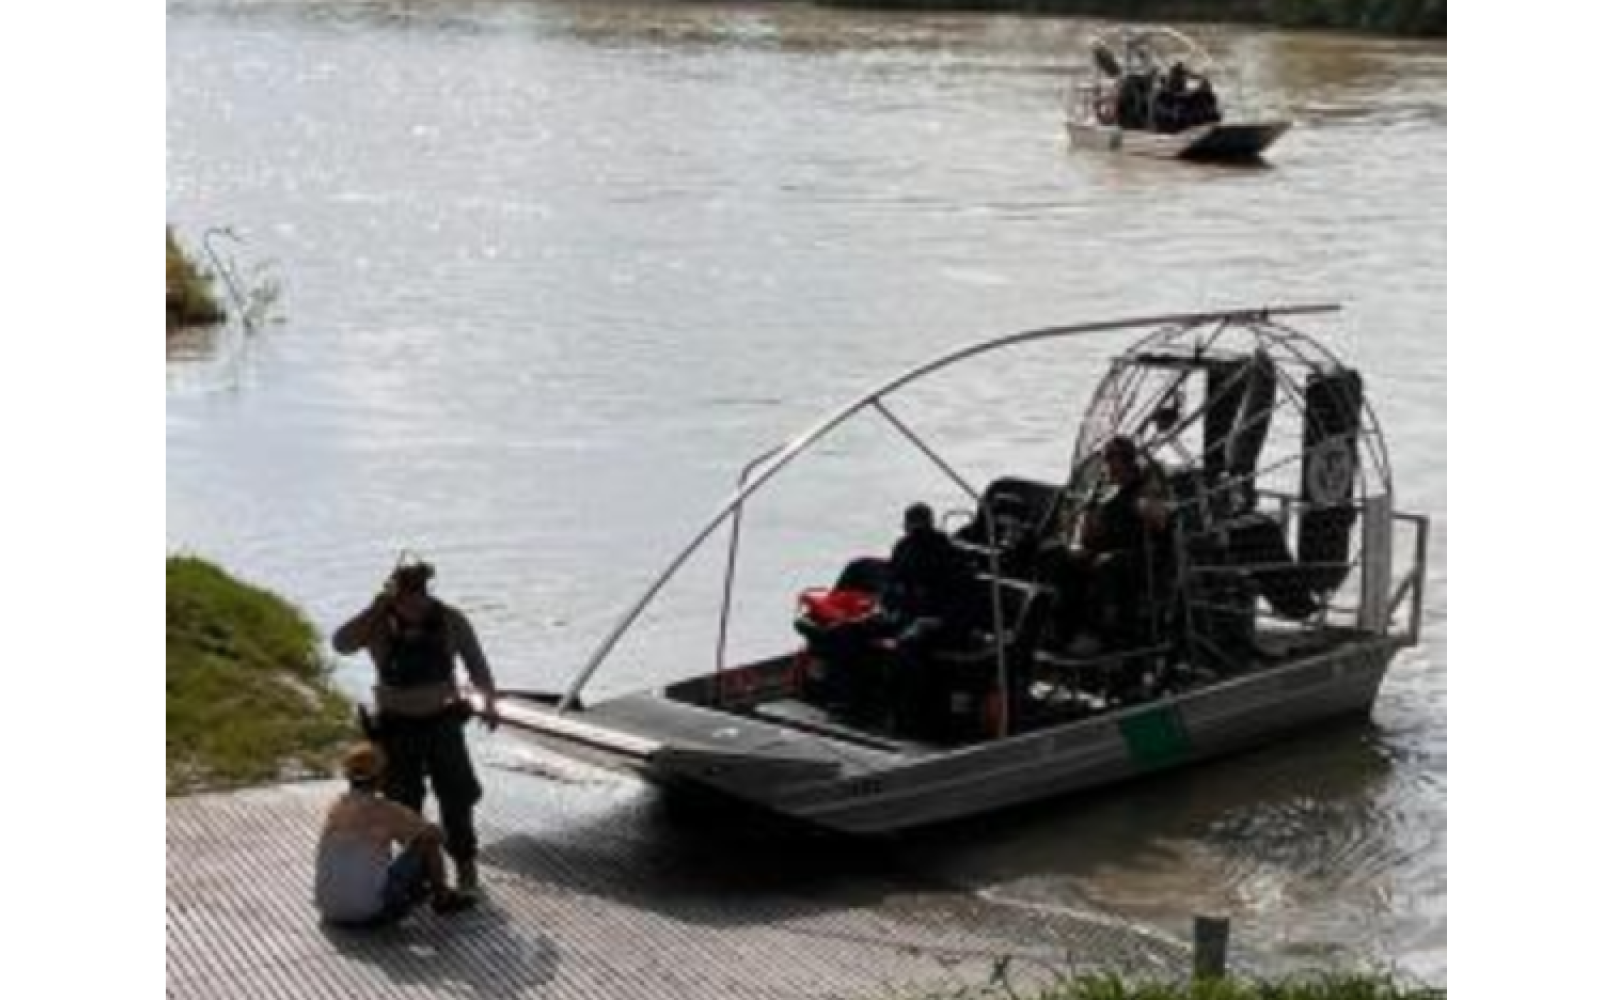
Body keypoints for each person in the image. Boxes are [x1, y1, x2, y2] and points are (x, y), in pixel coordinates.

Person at [333, 560, 499, 897]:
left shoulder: (451, 620)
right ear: (394, 591)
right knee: (403, 802)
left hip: (443, 724)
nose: (413, 601)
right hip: (396, 729)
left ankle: (466, 868)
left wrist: (490, 705)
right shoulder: (377, 622)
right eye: (405, 593)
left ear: (427, 588)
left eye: (418, 591)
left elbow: (477, 665)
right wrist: (375, 608)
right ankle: (418, 872)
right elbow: (341, 643)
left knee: (457, 797)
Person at [314, 741, 477, 926]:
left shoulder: (336, 806)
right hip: (370, 912)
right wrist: (411, 833)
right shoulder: (388, 810)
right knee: (427, 840)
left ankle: (412, 889)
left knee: (372, 857)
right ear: (382, 778)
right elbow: (437, 835)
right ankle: (442, 897)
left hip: (328, 910)